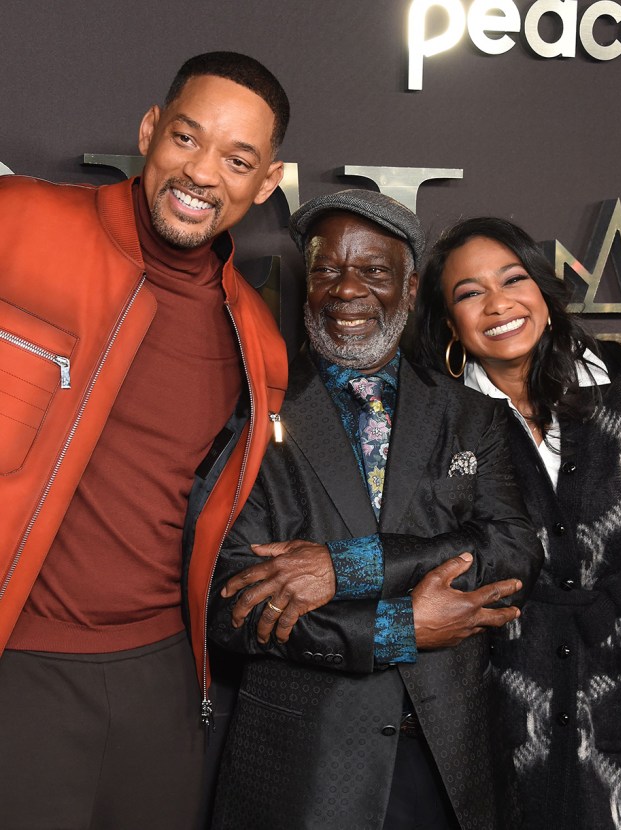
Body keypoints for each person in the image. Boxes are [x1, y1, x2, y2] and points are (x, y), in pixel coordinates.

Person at [0, 51, 289, 830]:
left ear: (266, 183)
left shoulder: (256, 337)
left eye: (237, 159)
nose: (201, 174)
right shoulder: (15, 220)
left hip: (161, 681)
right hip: (17, 664)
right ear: (149, 129)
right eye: (187, 138)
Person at [207, 190, 544, 830]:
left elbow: (512, 549)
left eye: (374, 271)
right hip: (305, 768)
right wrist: (398, 628)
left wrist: (349, 567)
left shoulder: (473, 417)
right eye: (328, 269)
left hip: (452, 760)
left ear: (411, 290)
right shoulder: (249, 412)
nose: (347, 289)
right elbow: (234, 606)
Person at [413, 216, 621, 829]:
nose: (498, 303)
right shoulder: (438, 421)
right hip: (491, 711)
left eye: (514, 278)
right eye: (469, 292)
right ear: (449, 322)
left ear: (544, 291)